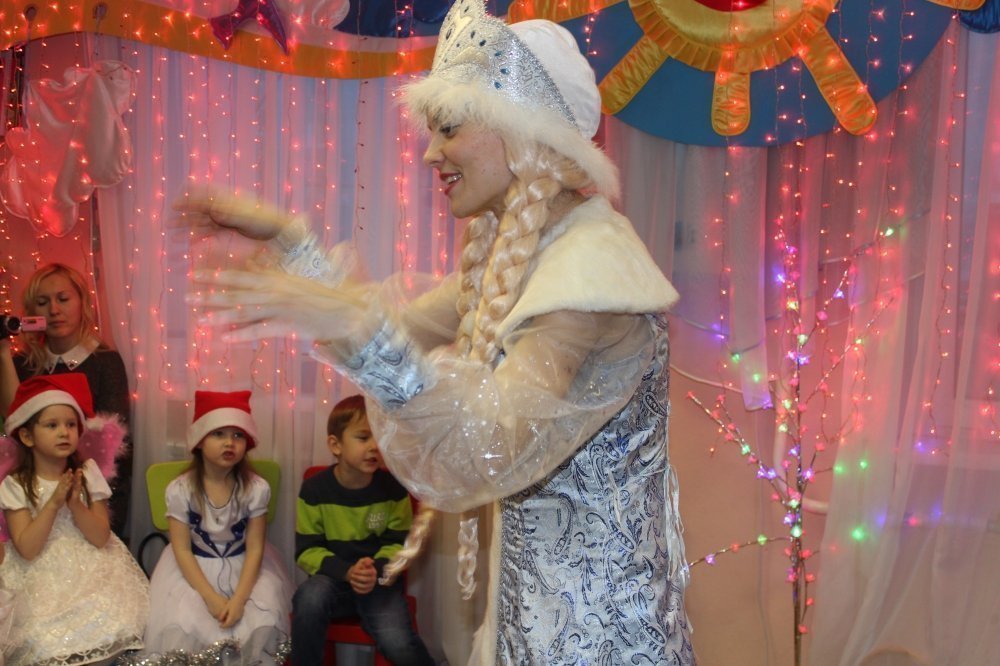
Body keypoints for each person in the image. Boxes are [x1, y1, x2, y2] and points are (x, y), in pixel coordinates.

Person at [177, 0, 695, 661]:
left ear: (524, 131)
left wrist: (353, 325)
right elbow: (398, 329)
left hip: (595, 639)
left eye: (449, 127)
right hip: (527, 615)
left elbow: (486, 446)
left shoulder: (587, 267)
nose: (430, 153)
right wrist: (288, 240)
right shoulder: (520, 252)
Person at [0, 373, 149, 664]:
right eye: (52, 425)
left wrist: (75, 504)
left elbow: (100, 537)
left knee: (106, 620)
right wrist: (53, 504)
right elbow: (27, 548)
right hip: (39, 577)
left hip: (90, 569)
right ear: (27, 436)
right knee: (43, 640)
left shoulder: (88, 472)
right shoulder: (16, 485)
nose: (64, 433)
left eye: (71, 425)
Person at [143, 389, 291, 663]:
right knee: (185, 620)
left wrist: (239, 600)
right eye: (218, 434)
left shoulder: (256, 488)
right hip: (193, 571)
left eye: (238, 435)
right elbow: (181, 550)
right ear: (199, 441)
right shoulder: (181, 489)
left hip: (245, 570)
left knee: (261, 616)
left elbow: (255, 548)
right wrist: (210, 597)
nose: (229, 443)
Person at [292, 394, 434, 665]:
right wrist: (347, 571)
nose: (374, 446)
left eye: (380, 437)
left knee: (397, 640)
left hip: (379, 582)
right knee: (309, 600)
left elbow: (400, 545)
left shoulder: (393, 488)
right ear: (335, 445)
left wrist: (373, 570)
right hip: (332, 580)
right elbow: (306, 551)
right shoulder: (314, 490)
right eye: (363, 437)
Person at [0, 263, 133, 540]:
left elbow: (111, 447)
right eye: (42, 302)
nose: (54, 310)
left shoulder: (105, 362)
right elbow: (16, 423)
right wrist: (3, 353)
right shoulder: (21, 364)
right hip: (33, 500)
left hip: (90, 498)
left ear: (82, 302)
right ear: (31, 311)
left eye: (63, 299)